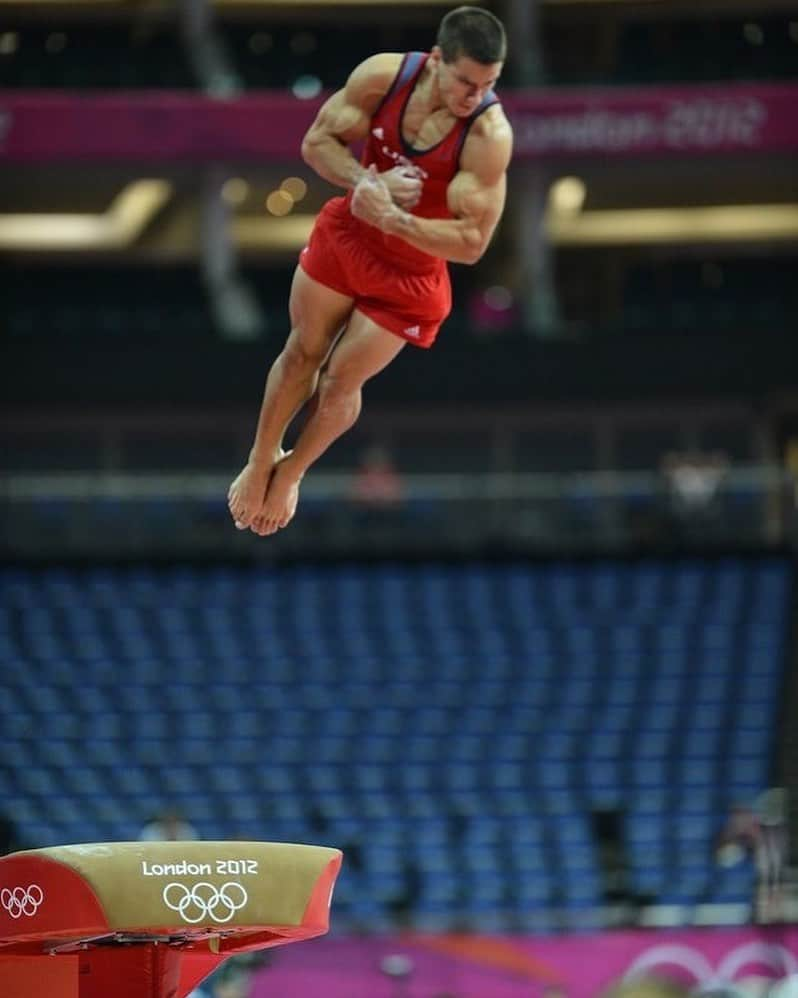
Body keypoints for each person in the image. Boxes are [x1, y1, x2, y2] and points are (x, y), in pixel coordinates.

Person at [227, 6, 512, 536]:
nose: (475, 97)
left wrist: (397, 220)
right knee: (302, 353)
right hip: (352, 236)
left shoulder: (488, 135)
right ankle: (260, 459)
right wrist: (366, 183)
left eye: (489, 85)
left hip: (410, 273)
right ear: (434, 62)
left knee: (339, 381)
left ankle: (291, 474)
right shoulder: (385, 77)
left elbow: (472, 244)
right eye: (466, 82)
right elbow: (316, 143)